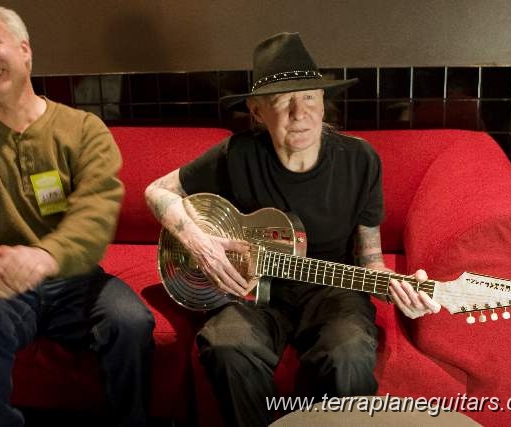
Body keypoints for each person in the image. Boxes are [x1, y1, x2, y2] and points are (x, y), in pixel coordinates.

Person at [145, 32, 441, 426]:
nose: (298, 113)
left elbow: (370, 260)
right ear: (256, 111)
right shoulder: (238, 154)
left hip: (333, 289)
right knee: (224, 345)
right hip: (254, 292)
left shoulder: (360, 161)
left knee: (349, 353)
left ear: (323, 102)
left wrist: (400, 289)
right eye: (281, 101)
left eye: (309, 98)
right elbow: (156, 190)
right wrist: (198, 241)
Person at [0, 6, 154, 427]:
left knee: (132, 322)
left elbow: (97, 209)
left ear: (25, 51)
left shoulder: (84, 129)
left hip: (75, 277)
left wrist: (48, 256)